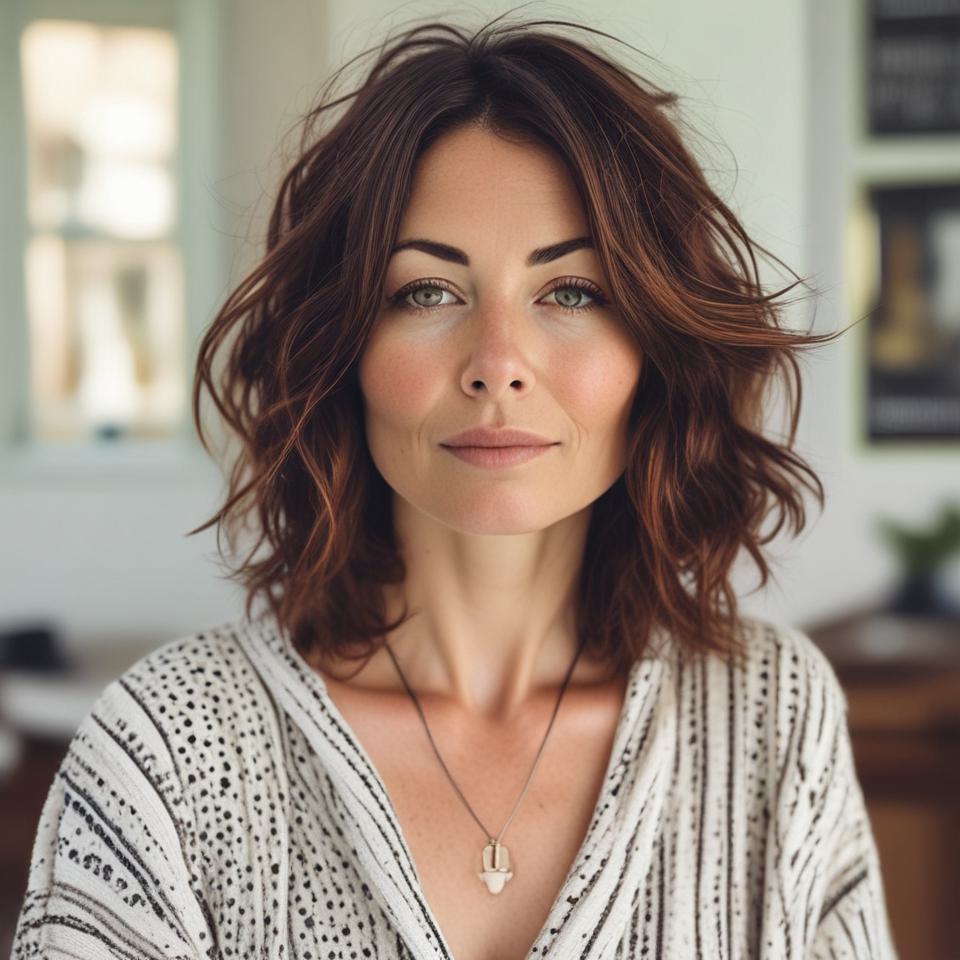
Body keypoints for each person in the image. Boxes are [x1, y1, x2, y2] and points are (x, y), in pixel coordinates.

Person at [11, 12, 898, 960]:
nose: (498, 365)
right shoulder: (168, 753)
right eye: (427, 293)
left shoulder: (771, 716)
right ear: (341, 343)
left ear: (656, 348)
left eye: (573, 292)